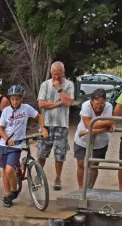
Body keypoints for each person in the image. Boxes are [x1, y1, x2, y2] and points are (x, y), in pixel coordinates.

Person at [0, 84, 49, 208]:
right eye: (12, 99)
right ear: (10, 99)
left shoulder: (26, 108)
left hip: (17, 145)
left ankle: (14, 191)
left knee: (9, 170)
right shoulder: (6, 111)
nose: (15, 101)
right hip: (4, 144)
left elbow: (39, 117)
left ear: (21, 98)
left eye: (17, 99)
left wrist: (43, 129)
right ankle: (7, 195)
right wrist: (6, 139)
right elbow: (0, 128)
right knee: (5, 171)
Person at [36, 61, 74, 191]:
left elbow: (68, 102)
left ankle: (58, 178)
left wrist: (59, 88)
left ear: (63, 73)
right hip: (45, 124)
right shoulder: (45, 85)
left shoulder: (69, 85)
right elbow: (41, 104)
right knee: (41, 153)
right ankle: (39, 175)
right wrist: (57, 104)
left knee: (59, 154)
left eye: (58, 74)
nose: (56, 77)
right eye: (54, 74)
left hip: (61, 125)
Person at [74, 88, 114, 189]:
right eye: (97, 104)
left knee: (94, 164)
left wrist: (90, 129)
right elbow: (88, 124)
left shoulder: (109, 106)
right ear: (92, 101)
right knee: (81, 163)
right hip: (82, 140)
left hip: (100, 142)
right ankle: (80, 189)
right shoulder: (86, 105)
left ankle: (90, 188)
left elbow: (110, 122)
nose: (99, 107)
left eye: (102, 104)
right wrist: (104, 127)